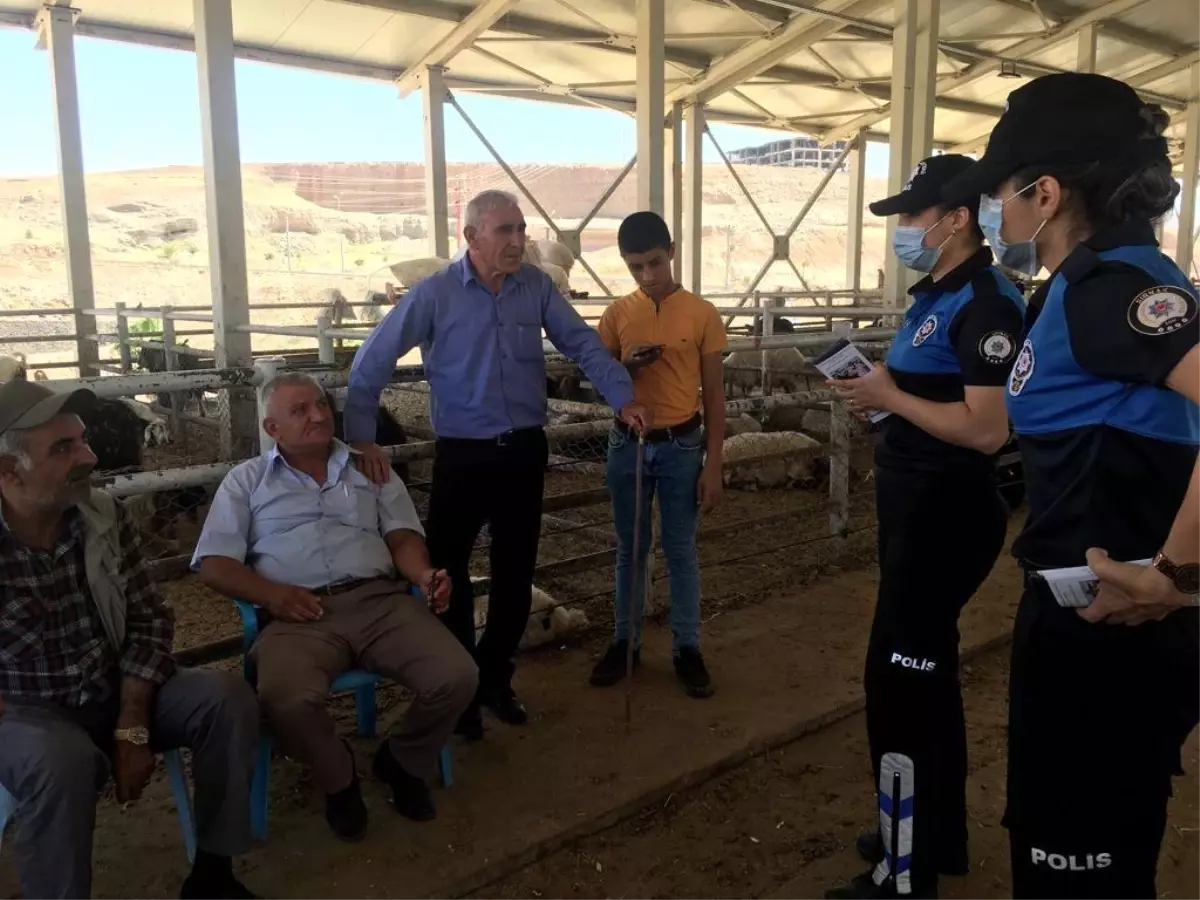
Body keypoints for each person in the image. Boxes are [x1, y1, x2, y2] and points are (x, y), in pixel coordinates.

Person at [940, 72, 1200, 900]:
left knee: (1074, 864)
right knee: (1099, 847)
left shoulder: (1110, 290)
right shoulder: (1092, 283)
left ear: (1044, 193)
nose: (995, 212)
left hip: (1104, 630)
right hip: (1090, 622)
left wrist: (1177, 572)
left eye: (999, 193)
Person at [344, 189, 650, 741]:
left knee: (515, 572)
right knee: (448, 573)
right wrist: (361, 437)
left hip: (524, 450)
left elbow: (581, 343)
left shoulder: (534, 287)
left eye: (521, 230)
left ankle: (494, 678)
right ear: (472, 238)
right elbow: (372, 359)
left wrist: (621, 396)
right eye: (505, 230)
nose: (517, 241)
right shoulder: (435, 294)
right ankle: (460, 686)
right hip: (462, 454)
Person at [824, 154, 1025, 900]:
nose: (906, 229)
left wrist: (892, 396)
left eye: (913, 216)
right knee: (924, 680)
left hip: (946, 516)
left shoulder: (988, 302)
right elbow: (929, 396)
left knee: (900, 688)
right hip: (915, 514)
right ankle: (926, 837)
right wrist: (881, 395)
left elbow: (985, 431)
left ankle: (904, 876)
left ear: (956, 218)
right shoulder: (937, 294)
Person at [0, 378, 261, 900]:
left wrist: (132, 725)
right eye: (64, 448)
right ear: (10, 473)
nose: (91, 457)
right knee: (60, 761)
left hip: (113, 689)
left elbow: (148, 619)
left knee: (226, 699)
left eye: (83, 440)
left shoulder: (103, 515)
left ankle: (214, 873)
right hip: (22, 713)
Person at [192, 373, 477, 842]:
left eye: (321, 405)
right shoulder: (246, 481)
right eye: (300, 410)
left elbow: (402, 536)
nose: (318, 416)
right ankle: (339, 777)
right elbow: (214, 564)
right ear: (273, 427)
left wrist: (423, 575)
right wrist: (273, 596)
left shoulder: (370, 467)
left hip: (379, 601)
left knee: (458, 675)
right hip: (296, 614)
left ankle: (402, 762)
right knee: (285, 701)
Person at [588, 211, 727, 698]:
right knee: (630, 547)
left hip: (682, 446)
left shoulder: (702, 313)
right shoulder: (617, 313)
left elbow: (713, 394)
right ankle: (624, 641)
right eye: (635, 268)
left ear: (671, 249)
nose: (647, 276)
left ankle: (686, 646)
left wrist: (715, 463)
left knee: (681, 549)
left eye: (654, 262)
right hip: (629, 443)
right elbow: (598, 377)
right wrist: (625, 365)